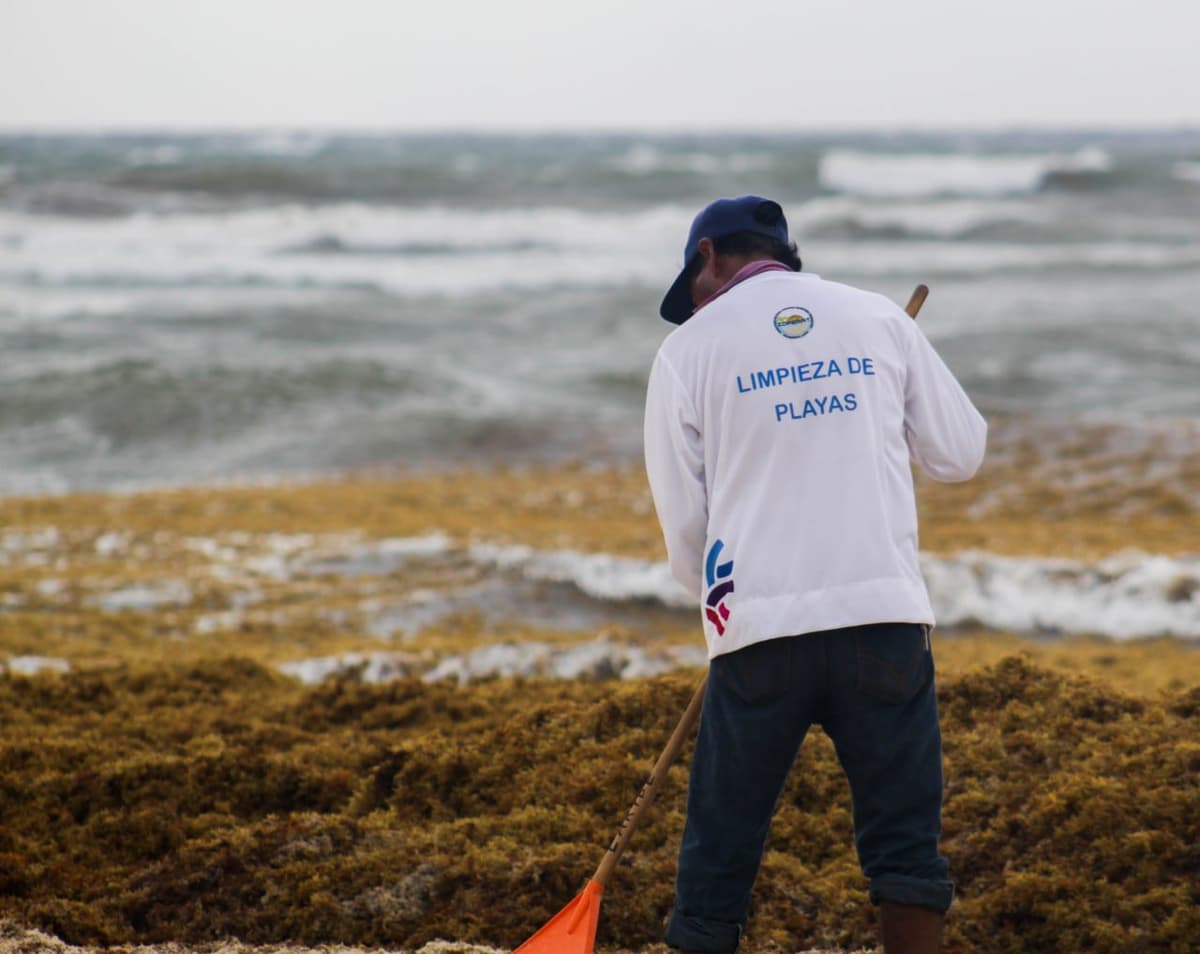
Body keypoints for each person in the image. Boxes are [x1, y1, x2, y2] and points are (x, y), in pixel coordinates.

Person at [643, 195, 987, 954]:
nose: (692, 302)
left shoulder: (688, 352)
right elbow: (959, 455)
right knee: (905, 848)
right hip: (884, 621)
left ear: (706, 259)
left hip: (759, 631)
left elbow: (686, 538)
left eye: (691, 283)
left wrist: (729, 605)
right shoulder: (878, 320)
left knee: (720, 853)